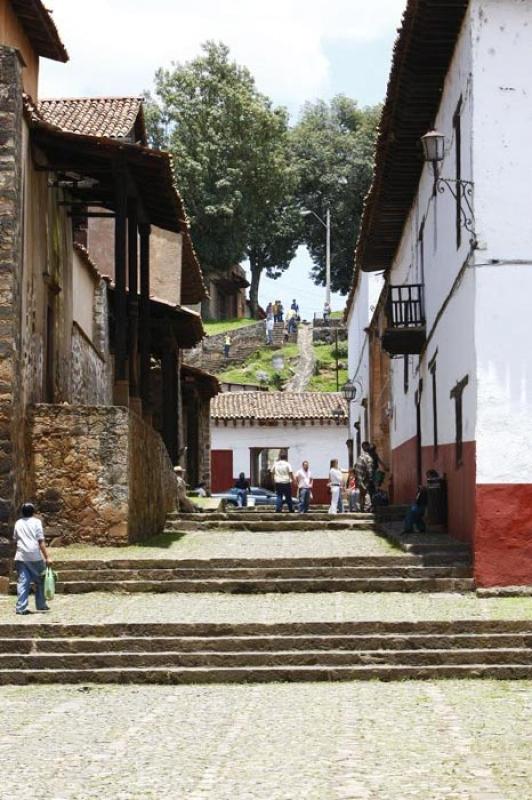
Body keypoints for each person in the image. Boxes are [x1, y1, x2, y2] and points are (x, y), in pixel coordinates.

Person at [13, 503, 50, 615]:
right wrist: (47, 557)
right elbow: (40, 541)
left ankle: (21, 607)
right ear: (33, 512)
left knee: (23, 582)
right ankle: (41, 604)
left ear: (22, 512)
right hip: (34, 556)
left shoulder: (18, 522)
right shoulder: (36, 522)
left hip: (21, 555)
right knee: (41, 580)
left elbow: (15, 538)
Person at [402, 469, 439, 533]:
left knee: (411, 514)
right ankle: (421, 528)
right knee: (414, 513)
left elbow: (432, 492)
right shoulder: (431, 483)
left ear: (432, 475)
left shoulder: (435, 482)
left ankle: (408, 528)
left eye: (428, 476)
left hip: (425, 505)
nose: (427, 477)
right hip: (421, 504)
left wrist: (424, 489)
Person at [354, 442, 374, 512]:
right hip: (364, 479)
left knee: (361, 493)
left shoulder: (360, 457)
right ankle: (367, 508)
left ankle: (360, 508)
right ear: (367, 447)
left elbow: (355, 467)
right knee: (367, 493)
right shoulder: (368, 458)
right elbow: (369, 470)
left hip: (359, 478)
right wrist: (371, 479)